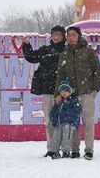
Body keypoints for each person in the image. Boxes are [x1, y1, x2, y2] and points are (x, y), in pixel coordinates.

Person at [56, 26, 100, 160]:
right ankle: (74, 150)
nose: (71, 38)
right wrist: (58, 93)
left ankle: (89, 150)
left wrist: (95, 90)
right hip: (71, 96)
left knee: (88, 123)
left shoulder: (88, 52)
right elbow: (60, 75)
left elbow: (97, 71)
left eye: (73, 35)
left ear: (79, 36)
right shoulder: (64, 54)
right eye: (68, 35)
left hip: (87, 93)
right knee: (73, 124)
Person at [20, 25, 67, 158]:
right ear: (51, 36)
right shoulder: (45, 50)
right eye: (54, 34)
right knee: (50, 121)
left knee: (64, 121)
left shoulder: (67, 51)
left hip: (64, 91)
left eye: (59, 35)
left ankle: (65, 148)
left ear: (63, 36)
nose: (57, 37)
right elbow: (31, 57)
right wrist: (27, 44)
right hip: (48, 90)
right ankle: (51, 148)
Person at [48, 80, 82, 159]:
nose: (64, 93)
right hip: (58, 124)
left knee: (67, 137)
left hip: (68, 123)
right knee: (56, 137)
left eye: (66, 91)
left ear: (70, 91)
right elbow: (53, 111)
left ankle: (66, 152)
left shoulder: (73, 100)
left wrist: (71, 119)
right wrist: (53, 119)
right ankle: (55, 151)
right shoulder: (59, 101)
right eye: (62, 91)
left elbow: (77, 111)